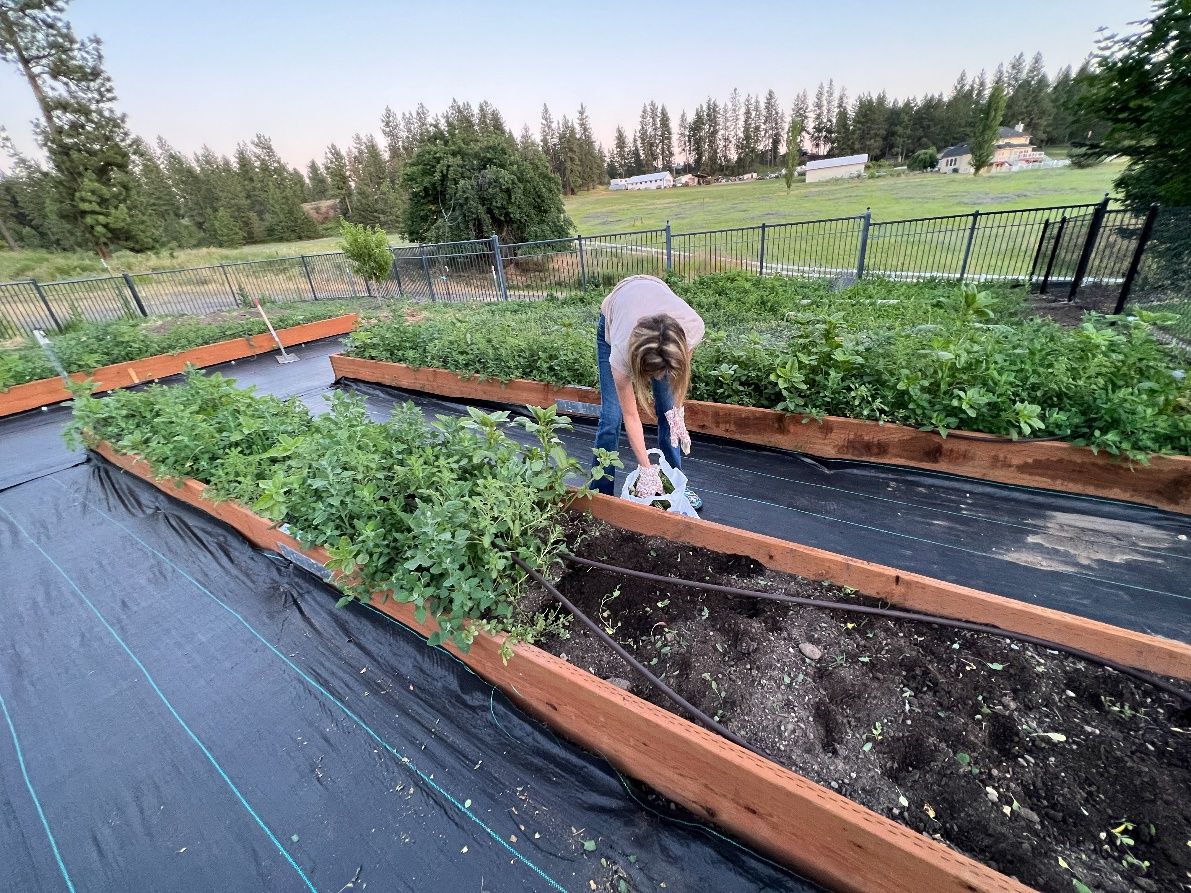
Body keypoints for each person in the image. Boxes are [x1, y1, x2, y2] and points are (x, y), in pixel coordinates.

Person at [592, 274, 704, 509]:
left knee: (668, 412)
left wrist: (678, 410)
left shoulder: (691, 328)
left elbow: (680, 377)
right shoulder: (622, 352)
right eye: (654, 372)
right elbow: (631, 415)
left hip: (653, 298)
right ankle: (600, 495)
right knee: (612, 417)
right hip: (615, 315)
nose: (659, 378)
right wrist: (645, 468)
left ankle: (674, 483)